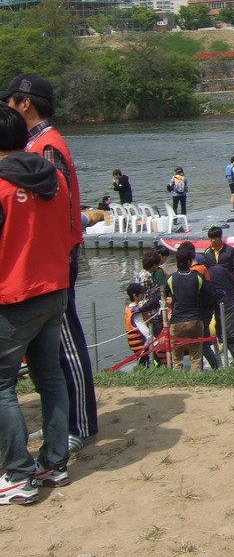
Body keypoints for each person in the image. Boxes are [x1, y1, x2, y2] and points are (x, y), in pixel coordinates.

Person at [2, 73, 97, 454]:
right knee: (54, 349)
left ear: (25, 103)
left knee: (68, 344)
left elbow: (58, 203)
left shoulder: (47, 147)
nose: (7, 108)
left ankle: (82, 423)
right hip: (53, 256)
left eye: (9, 101)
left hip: (55, 258)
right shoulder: (38, 144)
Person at [0, 103, 73, 505]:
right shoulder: (55, 178)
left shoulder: (1, 186)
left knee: (2, 386)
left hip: (13, 296)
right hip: (54, 289)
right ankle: (54, 462)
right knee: (50, 378)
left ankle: (18, 474)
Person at [164, 243, 219, 371]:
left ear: (177, 262)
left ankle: (178, 384)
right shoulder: (198, 277)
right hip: (195, 321)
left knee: (177, 359)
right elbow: (211, 294)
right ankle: (196, 383)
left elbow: (159, 296)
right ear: (190, 261)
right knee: (196, 357)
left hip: (177, 322)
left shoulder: (170, 279)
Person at [123, 283, 162, 368]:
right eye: (141, 293)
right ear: (135, 296)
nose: (143, 294)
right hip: (142, 345)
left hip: (136, 346)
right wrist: (154, 341)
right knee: (156, 364)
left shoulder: (128, 308)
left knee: (143, 364)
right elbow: (142, 328)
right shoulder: (135, 312)